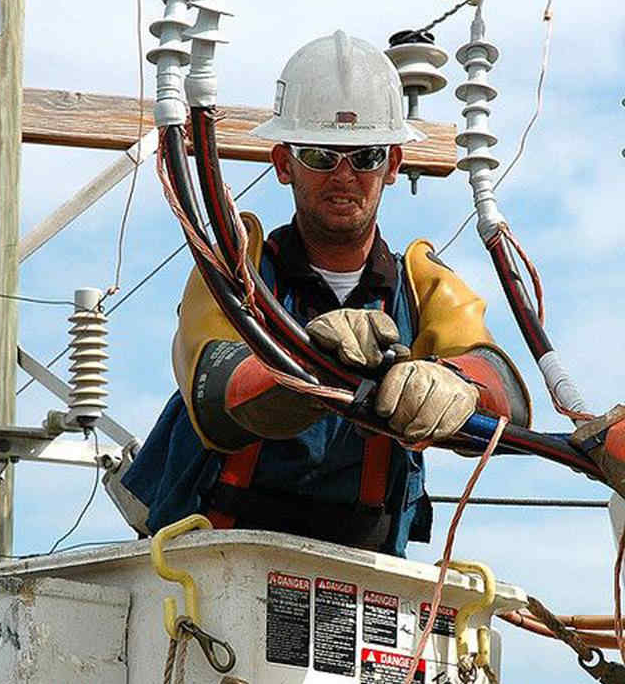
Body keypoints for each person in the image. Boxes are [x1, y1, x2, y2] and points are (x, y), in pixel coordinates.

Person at [114, 30, 530, 557]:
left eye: (365, 156)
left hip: (362, 574)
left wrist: (453, 384)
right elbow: (218, 394)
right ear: (284, 164)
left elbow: (505, 394)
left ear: (393, 165)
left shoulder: (423, 286)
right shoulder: (236, 273)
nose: (344, 175)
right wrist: (309, 363)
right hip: (215, 562)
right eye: (319, 155)